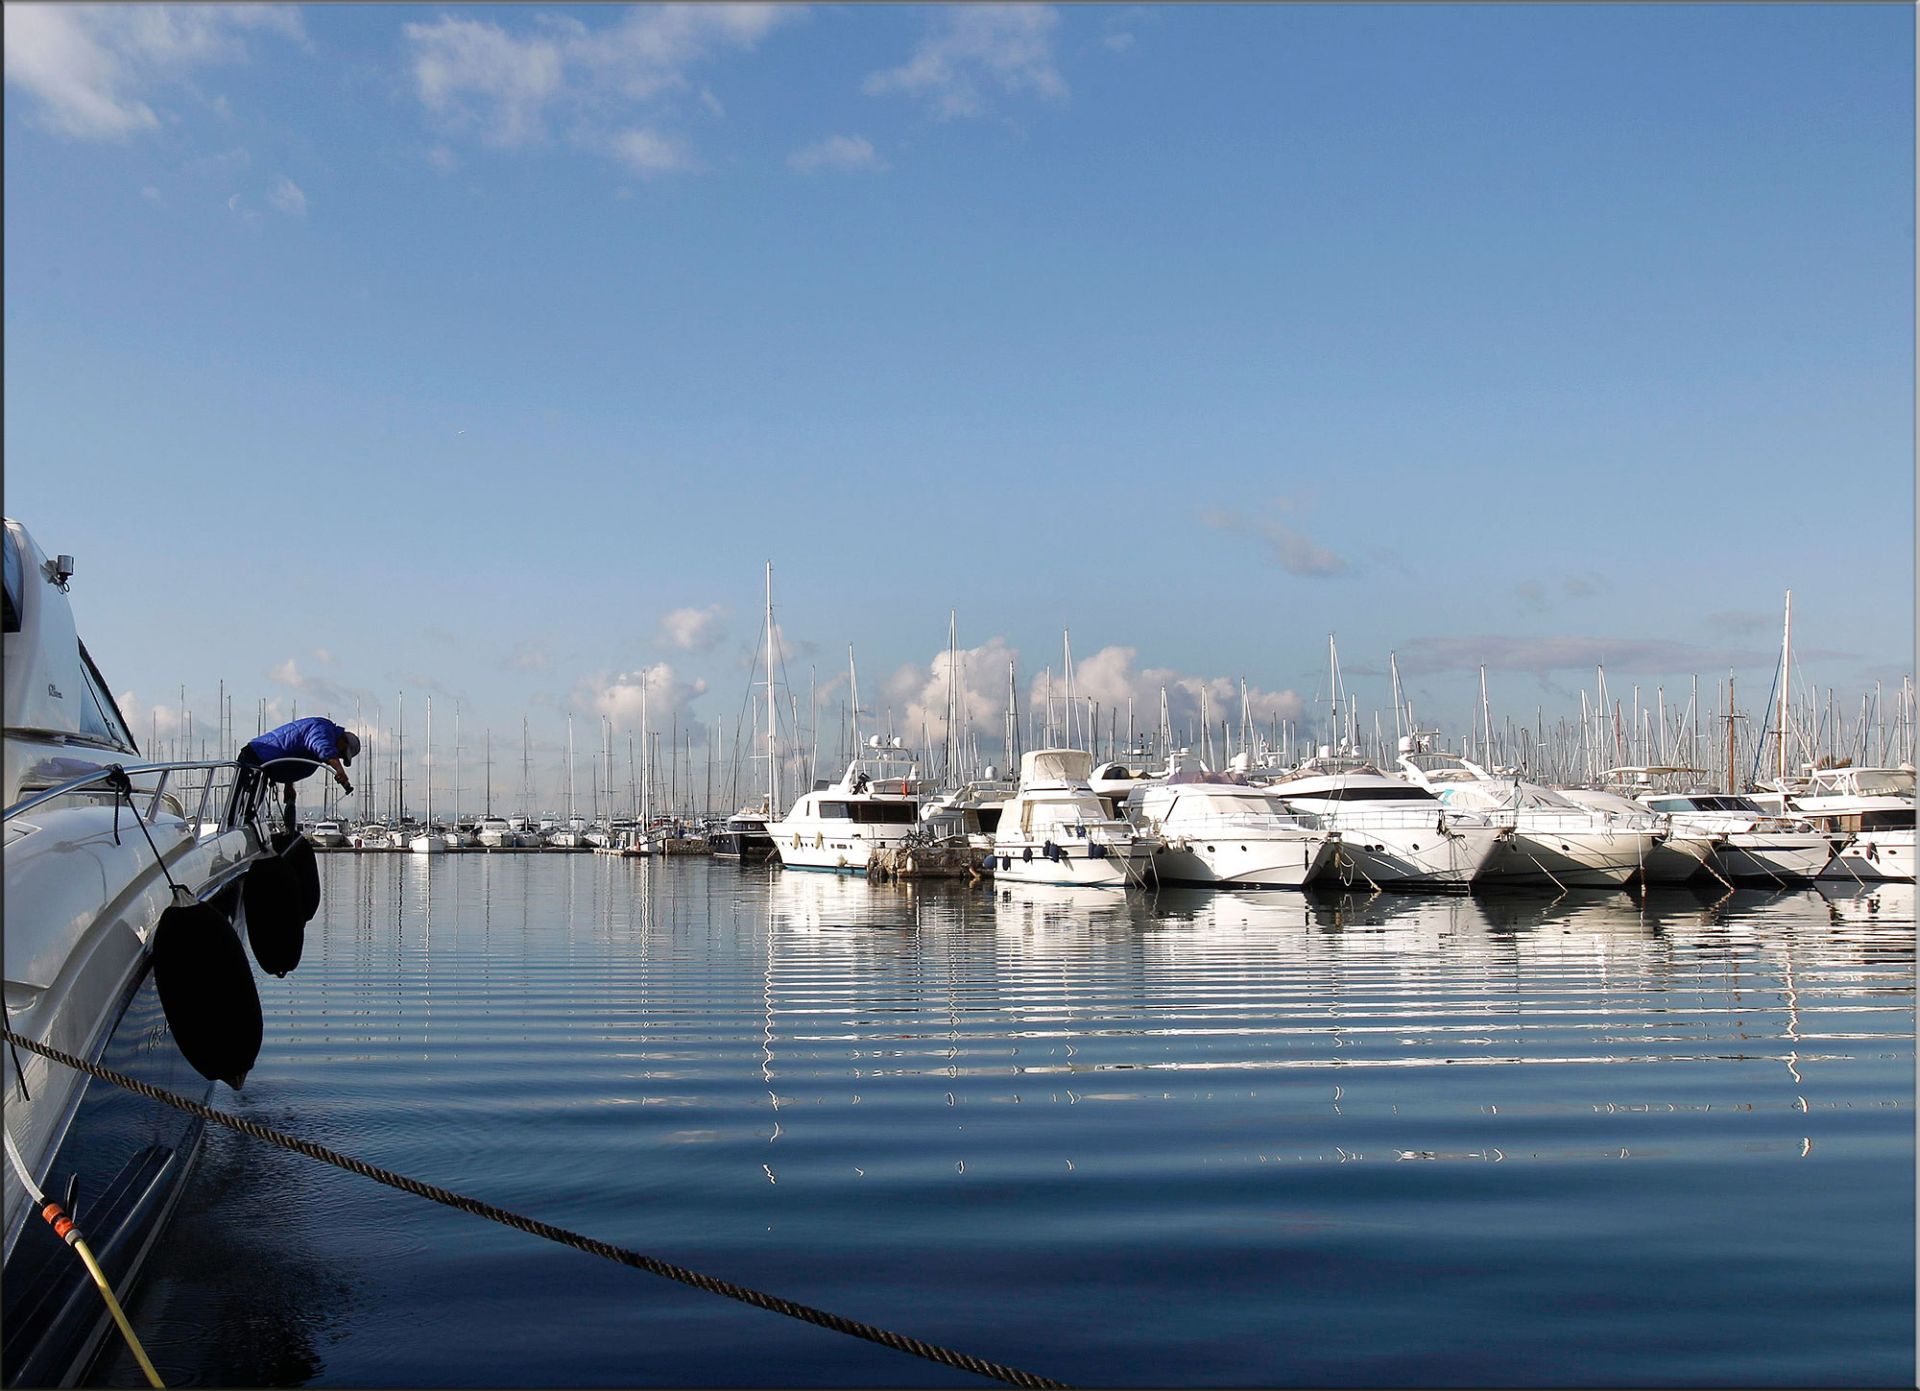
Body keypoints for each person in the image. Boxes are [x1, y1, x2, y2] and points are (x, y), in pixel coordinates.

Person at [234, 716, 360, 834]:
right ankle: (234, 827)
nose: (338, 756)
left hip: (261, 765)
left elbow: (293, 754)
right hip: (254, 759)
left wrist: (289, 785)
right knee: (241, 807)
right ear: (343, 741)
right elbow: (323, 747)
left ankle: (243, 827)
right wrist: (339, 770)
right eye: (341, 753)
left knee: (250, 808)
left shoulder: (324, 736)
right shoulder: (322, 729)